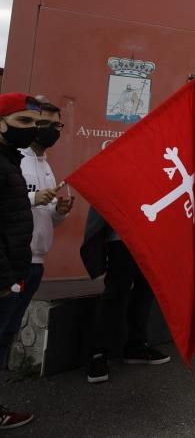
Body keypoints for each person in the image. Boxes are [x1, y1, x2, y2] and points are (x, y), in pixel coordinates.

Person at [0, 98, 73, 369]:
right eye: (41, 123)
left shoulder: (45, 164)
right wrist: (33, 198)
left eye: (57, 125)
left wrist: (59, 212)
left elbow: (49, 219)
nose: (50, 130)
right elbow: (15, 203)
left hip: (34, 262)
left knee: (8, 332)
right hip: (11, 264)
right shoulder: (17, 162)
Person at [82, 207, 170, 384]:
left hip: (149, 235)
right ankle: (98, 353)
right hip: (122, 237)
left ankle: (136, 346)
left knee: (145, 291)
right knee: (115, 293)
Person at [0, 93, 42, 430]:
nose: (32, 129)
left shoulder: (9, 161)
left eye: (36, 123)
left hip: (16, 270)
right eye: (23, 121)